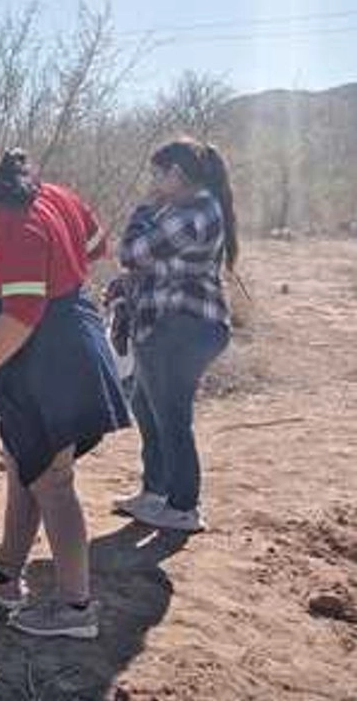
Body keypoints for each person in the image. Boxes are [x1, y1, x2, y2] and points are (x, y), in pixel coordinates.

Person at [0, 147, 128, 640]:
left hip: (51, 356)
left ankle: (75, 607)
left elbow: (22, 313)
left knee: (53, 481)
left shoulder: (15, 225)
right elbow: (96, 245)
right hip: (57, 340)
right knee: (26, 465)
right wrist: (61, 273)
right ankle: (6, 577)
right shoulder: (54, 194)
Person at [110, 137, 236, 533]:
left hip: (182, 326)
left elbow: (133, 252)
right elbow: (155, 263)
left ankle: (183, 506)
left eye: (157, 173)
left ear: (176, 174)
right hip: (175, 324)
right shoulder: (190, 209)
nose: (153, 180)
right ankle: (156, 493)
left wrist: (144, 210)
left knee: (171, 417)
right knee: (147, 408)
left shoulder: (193, 212)